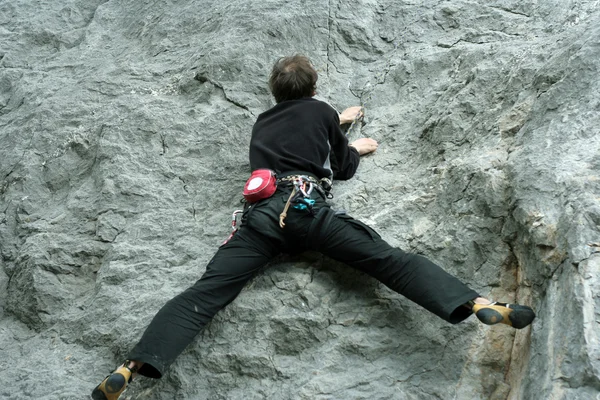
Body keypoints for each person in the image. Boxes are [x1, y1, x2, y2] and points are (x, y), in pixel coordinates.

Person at [92, 55, 535, 400]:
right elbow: (340, 168)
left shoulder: (263, 122)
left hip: (260, 218)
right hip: (305, 209)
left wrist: (336, 123)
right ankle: (475, 304)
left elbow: (296, 135)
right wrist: (353, 145)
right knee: (386, 260)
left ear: (273, 92)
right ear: (315, 88)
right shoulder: (321, 111)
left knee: (205, 293)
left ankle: (132, 367)